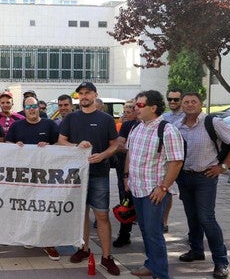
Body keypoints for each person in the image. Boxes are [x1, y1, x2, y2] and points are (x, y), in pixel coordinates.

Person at [175, 92, 230, 279]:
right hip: (184, 177)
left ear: (201, 104)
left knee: (206, 218)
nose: (189, 105)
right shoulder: (176, 126)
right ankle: (196, 250)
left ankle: (221, 262)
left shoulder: (213, 123)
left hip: (205, 177)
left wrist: (223, 167)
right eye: (186, 102)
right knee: (192, 217)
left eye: (193, 102)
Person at [58, 81, 120, 276]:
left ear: (95, 95)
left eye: (87, 93)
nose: (84, 96)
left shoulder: (106, 119)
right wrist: (76, 146)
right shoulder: (71, 118)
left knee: (101, 215)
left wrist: (102, 155)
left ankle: (107, 257)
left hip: (99, 173)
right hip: (76, 175)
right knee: (81, 214)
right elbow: (61, 141)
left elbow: (115, 145)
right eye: (81, 93)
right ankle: (83, 249)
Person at [124, 90, 184, 279]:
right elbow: (129, 153)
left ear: (153, 107)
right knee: (144, 230)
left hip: (154, 191)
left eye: (140, 105)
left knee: (153, 233)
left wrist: (164, 187)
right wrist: (126, 177)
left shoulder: (167, 130)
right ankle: (151, 264)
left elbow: (176, 162)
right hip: (136, 188)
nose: (136, 108)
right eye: (135, 105)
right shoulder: (136, 127)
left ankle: (160, 274)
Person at [5, 96, 60, 261]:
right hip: (24, 177)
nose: (32, 109)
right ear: (24, 109)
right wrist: (15, 147)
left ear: (39, 108)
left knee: (45, 209)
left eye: (35, 106)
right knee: (26, 208)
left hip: (46, 177)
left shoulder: (49, 124)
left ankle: (48, 242)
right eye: (28, 107)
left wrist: (50, 148)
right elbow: (6, 146)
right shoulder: (16, 126)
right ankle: (29, 237)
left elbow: (60, 146)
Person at [112, 102, 138, 248]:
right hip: (125, 172)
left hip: (147, 176)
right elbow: (120, 144)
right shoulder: (128, 126)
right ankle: (124, 235)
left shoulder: (160, 127)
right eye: (126, 110)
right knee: (126, 203)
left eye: (133, 109)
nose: (129, 112)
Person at [161, 88, 184, 233]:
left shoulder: (187, 116)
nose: (172, 102)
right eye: (170, 99)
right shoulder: (164, 117)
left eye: (176, 99)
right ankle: (164, 221)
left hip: (185, 161)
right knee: (167, 190)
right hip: (167, 161)